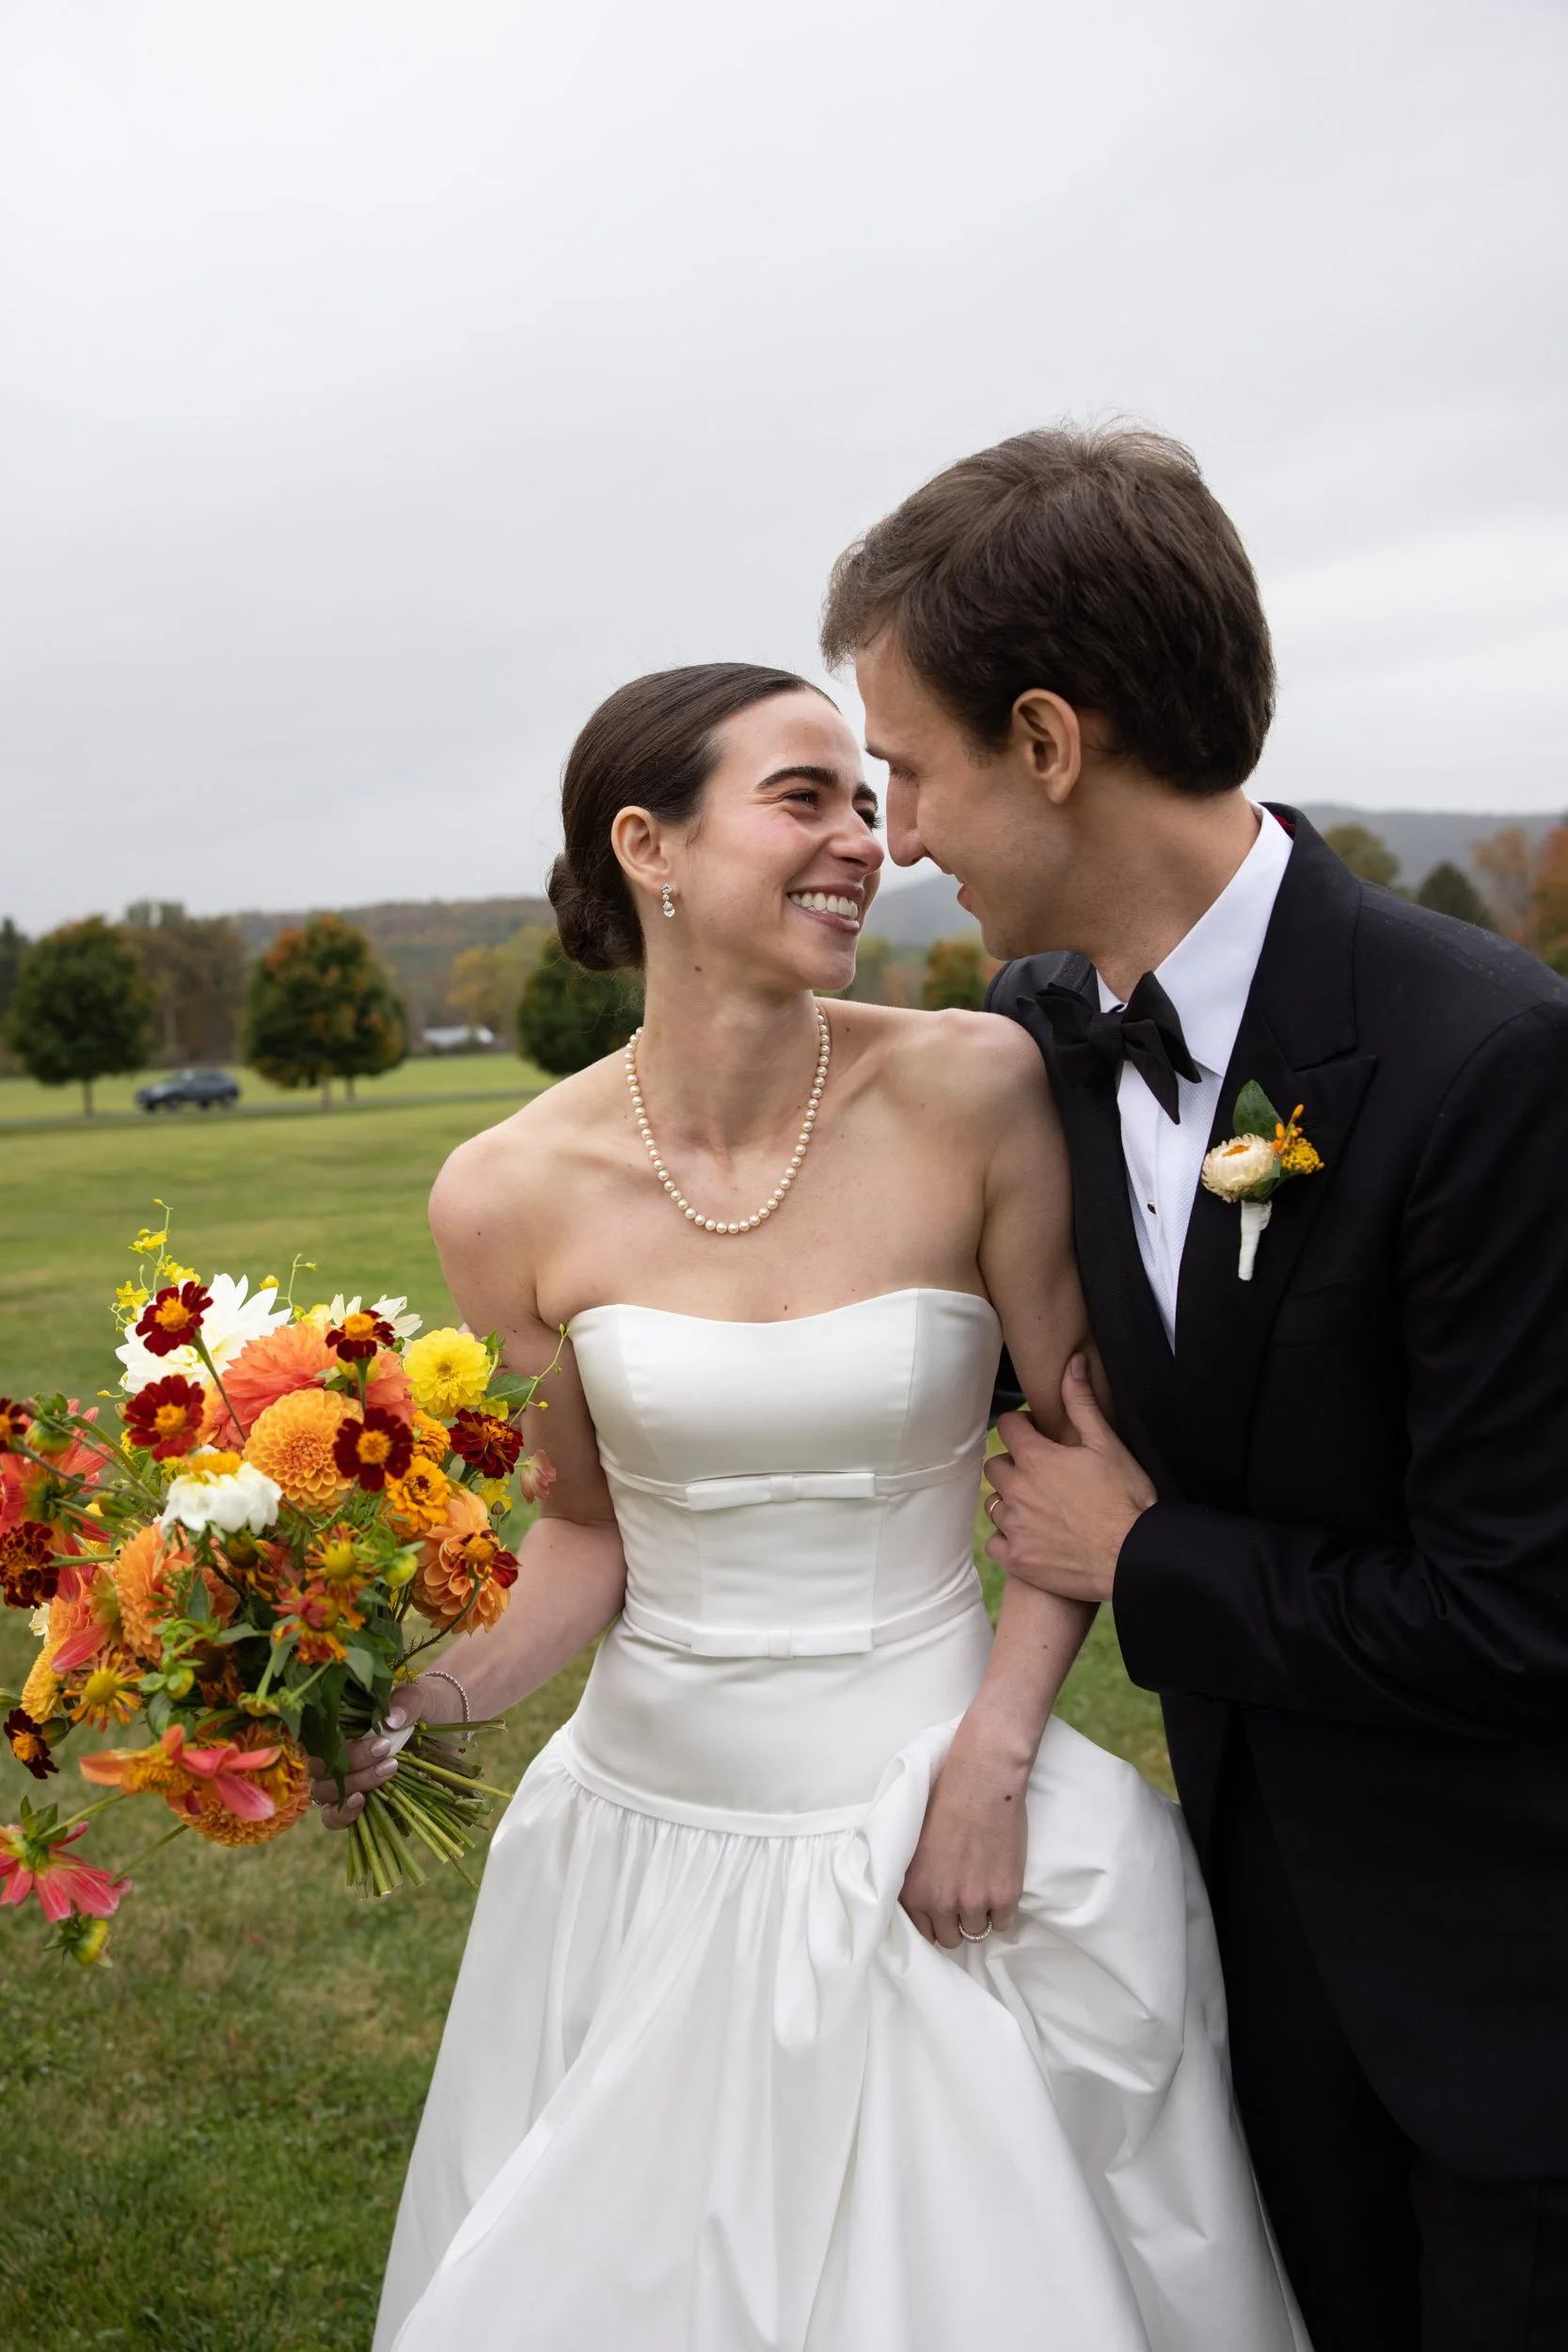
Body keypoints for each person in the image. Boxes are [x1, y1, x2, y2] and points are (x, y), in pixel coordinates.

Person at [319, 662, 1306, 2351]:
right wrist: (408, 1706)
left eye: (867, 797)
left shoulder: (977, 1087)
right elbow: (585, 1531)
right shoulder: (502, 1192)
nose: (864, 838)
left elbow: (1081, 1455)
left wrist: (991, 1761)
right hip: (640, 1840)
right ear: (649, 846)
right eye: (805, 797)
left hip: (937, 1812)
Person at [823, 423, 1568, 2352]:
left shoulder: (1487, 1067)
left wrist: (1146, 1556)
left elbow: (1515, 1610)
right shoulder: (1029, 1045)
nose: (895, 831)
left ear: (1049, 741)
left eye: (909, 766)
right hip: (1249, 1976)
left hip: (1509, 1999)